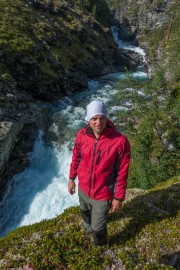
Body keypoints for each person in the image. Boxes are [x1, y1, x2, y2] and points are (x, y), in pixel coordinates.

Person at [68, 100, 130, 246]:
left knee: (98, 228)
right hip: (83, 189)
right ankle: (87, 228)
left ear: (106, 118)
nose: (98, 122)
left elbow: (123, 171)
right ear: (88, 119)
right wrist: (71, 178)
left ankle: (101, 247)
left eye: (102, 118)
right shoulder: (81, 135)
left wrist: (119, 197)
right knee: (85, 213)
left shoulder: (120, 141)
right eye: (94, 118)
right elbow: (76, 158)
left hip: (103, 194)